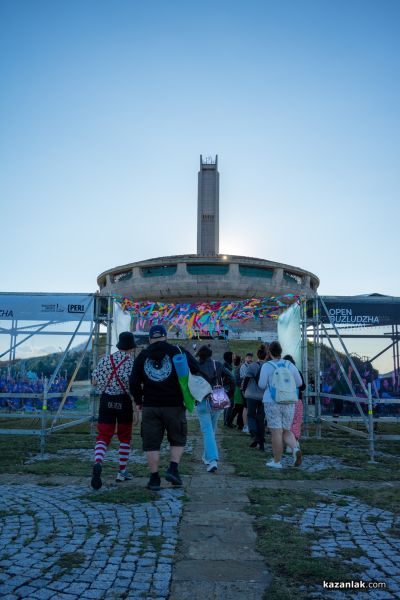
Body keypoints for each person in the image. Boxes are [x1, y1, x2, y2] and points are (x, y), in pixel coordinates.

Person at [129, 324, 200, 491]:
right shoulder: (178, 350)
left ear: (150, 338)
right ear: (165, 336)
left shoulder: (143, 355)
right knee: (178, 438)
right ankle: (173, 469)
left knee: (151, 443)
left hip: (151, 406)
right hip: (175, 405)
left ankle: (154, 479)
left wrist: (139, 400)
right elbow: (196, 368)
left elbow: (133, 382)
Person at [91, 331, 139, 490]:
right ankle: (122, 471)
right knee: (125, 437)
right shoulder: (131, 363)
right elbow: (134, 388)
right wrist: (137, 408)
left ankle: (98, 461)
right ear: (131, 348)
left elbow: (94, 381)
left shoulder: (105, 359)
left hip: (106, 400)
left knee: (103, 435)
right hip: (123, 401)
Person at [258, 341, 302, 469]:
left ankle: (277, 461)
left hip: (272, 401)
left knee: (276, 432)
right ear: (281, 352)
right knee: (286, 431)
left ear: (269, 352)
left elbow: (261, 385)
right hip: (289, 401)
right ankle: (295, 448)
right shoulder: (289, 365)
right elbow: (299, 383)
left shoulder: (267, 366)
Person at [196, 345, 234, 473]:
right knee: (211, 430)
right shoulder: (217, 364)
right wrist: (228, 392)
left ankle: (212, 460)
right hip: (218, 395)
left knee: (208, 431)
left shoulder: (195, 366)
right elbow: (231, 379)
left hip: (202, 399)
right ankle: (207, 457)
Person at [242, 344, 267, 451]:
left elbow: (246, 380)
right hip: (264, 396)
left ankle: (254, 435)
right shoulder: (268, 366)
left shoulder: (252, 366)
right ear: (266, 356)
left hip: (251, 394)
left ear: (257, 355)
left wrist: (243, 390)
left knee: (251, 416)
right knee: (261, 419)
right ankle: (261, 444)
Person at [283, 354, 306, 450]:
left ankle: (287, 443)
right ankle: (294, 442)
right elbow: (303, 387)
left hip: (284, 401)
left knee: (286, 423)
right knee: (296, 422)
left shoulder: (281, 372)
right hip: (296, 400)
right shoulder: (297, 372)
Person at [226, 355, 244, 430]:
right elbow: (237, 381)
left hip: (235, 390)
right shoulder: (238, 369)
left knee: (238, 408)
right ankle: (237, 424)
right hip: (238, 390)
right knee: (239, 408)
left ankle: (233, 423)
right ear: (240, 361)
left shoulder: (233, 369)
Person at [240, 352, 253, 433]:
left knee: (249, 407)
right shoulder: (243, 366)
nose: (250, 359)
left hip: (250, 389)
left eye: (251, 358)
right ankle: (245, 426)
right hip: (244, 389)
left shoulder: (251, 366)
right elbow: (245, 376)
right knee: (245, 407)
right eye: (248, 357)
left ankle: (249, 425)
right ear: (245, 358)